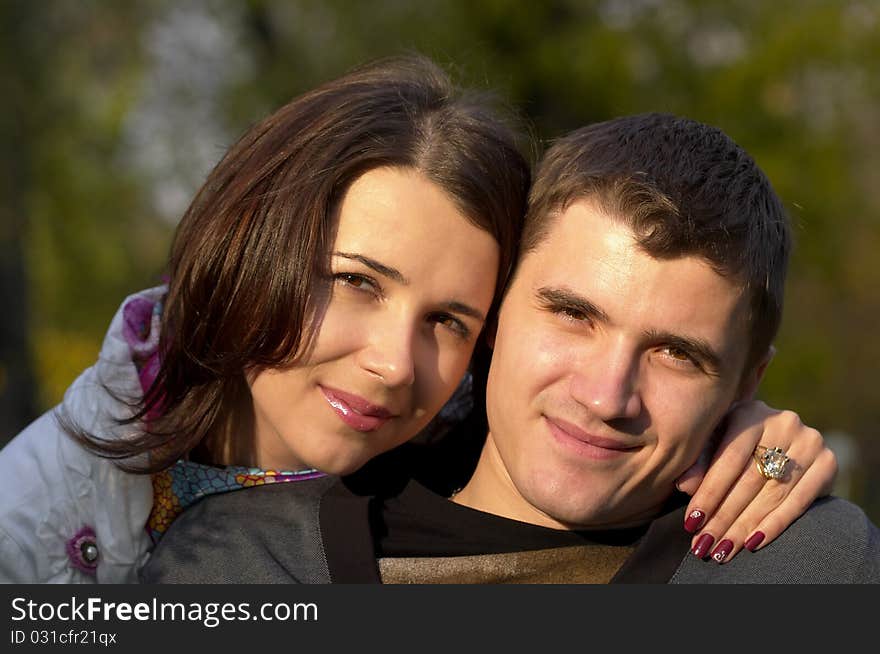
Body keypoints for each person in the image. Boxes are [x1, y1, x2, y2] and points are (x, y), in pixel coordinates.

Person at [0, 55, 838, 584]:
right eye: (358, 283)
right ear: (256, 242)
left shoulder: (480, 423)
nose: (397, 365)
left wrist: (740, 430)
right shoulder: (30, 526)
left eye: (448, 319)